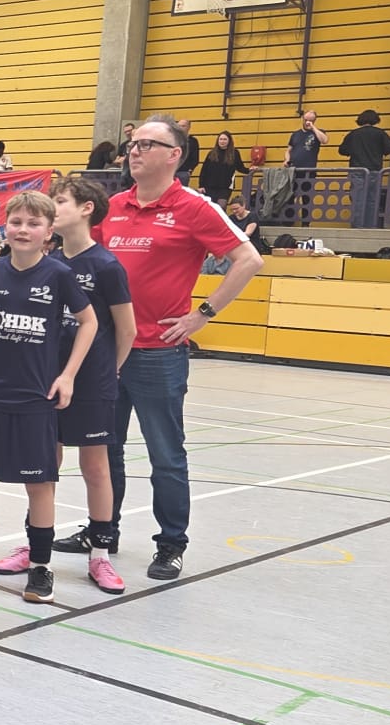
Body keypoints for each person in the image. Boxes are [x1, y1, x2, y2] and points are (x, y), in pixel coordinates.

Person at [56, 115, 263, 580]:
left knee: (165, 455)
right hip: (107, 352)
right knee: (103, 449)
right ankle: (103, 531)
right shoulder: (113, 206)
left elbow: (249, 259)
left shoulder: (194, 207)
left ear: (175, 155)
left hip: (158, 354)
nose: (135, 150)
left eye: (148, 144)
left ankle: (171, 543)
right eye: (133, 143)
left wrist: (202, 313)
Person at [0, 178, 133, 594]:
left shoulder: (97, 266)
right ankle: (26, 548)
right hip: (32, 385)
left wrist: (102, 372)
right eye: (17, 221)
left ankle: (98, 553)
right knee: (39, 469)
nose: (26, 228)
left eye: (56, 205)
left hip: (85, 381)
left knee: (92, 467)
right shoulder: (12, 267)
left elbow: (120, 328)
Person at [338, 109, 390, 225]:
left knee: (358, 199)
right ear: (375, 120)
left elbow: (342, 150)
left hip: (357, 170)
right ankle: (370, 225)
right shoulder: (380, 133)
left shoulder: (353, 134)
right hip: (375, 171)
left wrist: (355, 151)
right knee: (372, 200)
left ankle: (358, 226)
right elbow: (389, 148)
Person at [284, 110, 329, 224]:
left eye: (311, 120)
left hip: (308, 171)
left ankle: (305, 223)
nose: (308, 122)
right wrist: (287, 159)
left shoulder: (317, 132)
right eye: (306, 120)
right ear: (302, 119)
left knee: (306, 198)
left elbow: (324, 140)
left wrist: (313, 128)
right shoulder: (295, 134)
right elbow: (289, 150)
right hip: (293, 170)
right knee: (289, 197)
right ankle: (288, 222)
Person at [198, 131, 243, 204]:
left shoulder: (234, 153)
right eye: (221, 139)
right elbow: (204, 170)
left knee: (222, 204)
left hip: (226, 186)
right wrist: (201, 185)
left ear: (229, 141)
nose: (222, 141)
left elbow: (240, 167)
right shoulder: (211, 153)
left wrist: (250, 170)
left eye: (225, 139)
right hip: (210, 186)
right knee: (211, 207)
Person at [175, 120, 200, 185]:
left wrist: (190, 170)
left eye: (183, 126)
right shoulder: (173, 139)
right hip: (171, 171)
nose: (180, 128)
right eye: (179, 126)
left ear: (188, 127)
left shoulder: (193, 141)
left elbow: (195, 158)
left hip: (184, 172)